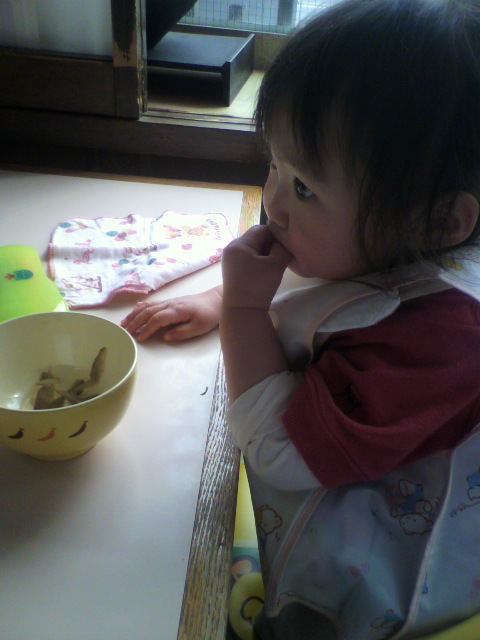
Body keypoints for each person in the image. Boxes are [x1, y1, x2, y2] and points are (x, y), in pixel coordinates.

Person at [122, 0, 480, 637]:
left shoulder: (441, 342)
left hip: (382, 588)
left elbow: (281, 452)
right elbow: (331, 284)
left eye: (305, 187)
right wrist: (221, 301)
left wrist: (242, 312)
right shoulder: (393, 240)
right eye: (274, 165)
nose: (273, 204)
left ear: (438, 220)